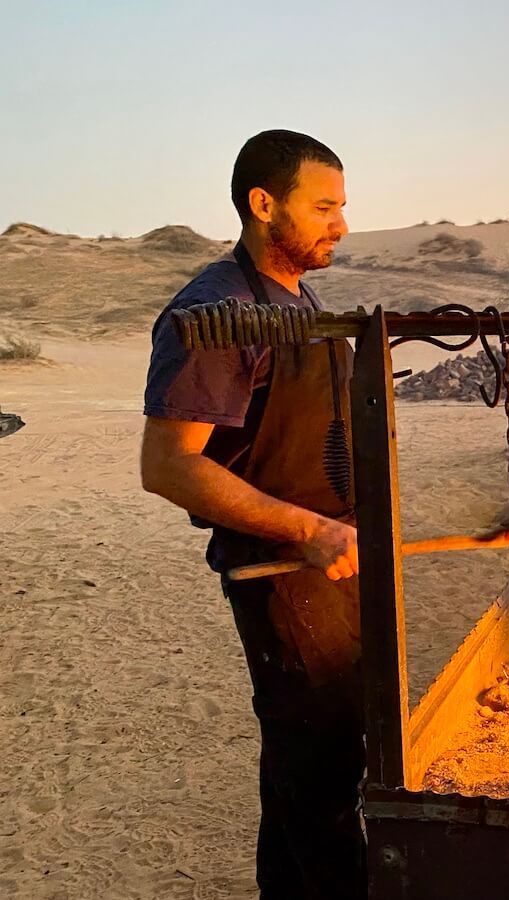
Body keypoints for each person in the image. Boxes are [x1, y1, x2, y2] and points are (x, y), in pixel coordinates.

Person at [140, 130, 365, 898]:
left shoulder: (300, 300)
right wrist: (308, 529)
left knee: (306, 770)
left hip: (338, 562)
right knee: (324, 782)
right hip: (280, 571)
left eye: (343, 207)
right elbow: (168, 466)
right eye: (324, 207)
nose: (340, 225)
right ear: (263, 205)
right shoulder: (216, 311)